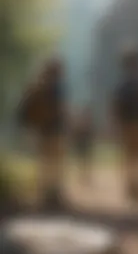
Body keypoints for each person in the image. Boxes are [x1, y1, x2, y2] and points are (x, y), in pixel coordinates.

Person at [16, 56, 67, 209]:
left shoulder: (37, 85)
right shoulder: (55, 87)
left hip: (41, 130)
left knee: (44, 163)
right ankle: (53, 194)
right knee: (54, 163)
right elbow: (59, 110)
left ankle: (44, 194)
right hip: (54, 130)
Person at [111, 45, 138, 204]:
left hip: (126, 124)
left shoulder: (121, 84)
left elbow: (115, 106)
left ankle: (130, 186)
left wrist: (114, 125)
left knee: (128, 156)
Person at [72, 106, 95, 187]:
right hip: (82, 145)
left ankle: (86, 176)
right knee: (82, 162)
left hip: (86, 145)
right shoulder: (81, 124)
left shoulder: (87, 124)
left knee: (86, 162)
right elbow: (77, 136)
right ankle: (82, 176)